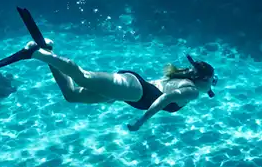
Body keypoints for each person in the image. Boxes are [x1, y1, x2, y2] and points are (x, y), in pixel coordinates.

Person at [24, 39, 218, 132]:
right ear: (203, 79)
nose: (212, 86)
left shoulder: (183, 81)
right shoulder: (192, 92)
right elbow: (165, 97)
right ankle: (37, 53)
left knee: (72, 94)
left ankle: (47, 52)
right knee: (82, 78)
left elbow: (159, 88)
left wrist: (116, 95)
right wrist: (142, 120)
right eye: (212, 80)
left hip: (130, 90)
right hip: (135, 89)